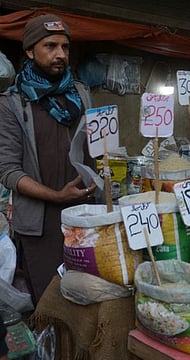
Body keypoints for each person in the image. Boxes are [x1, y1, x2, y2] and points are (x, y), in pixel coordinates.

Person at [0, 14, 103, 305]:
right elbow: (8, 171)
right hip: (40, 226)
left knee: (86, 296)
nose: (61, 54)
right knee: (49, 300)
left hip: (85, 217)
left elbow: (94, 145)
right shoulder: (12, 104)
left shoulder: (81, 93)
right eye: (50, 46)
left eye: (65, 47)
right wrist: (56, 196)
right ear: (30, 51)